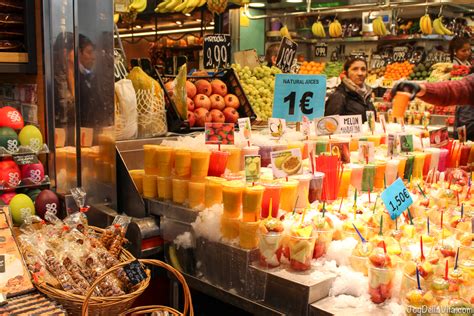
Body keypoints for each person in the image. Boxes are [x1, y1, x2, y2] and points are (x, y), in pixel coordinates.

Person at [324, 57, 376, 122]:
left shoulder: (366, 94)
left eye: (363, 69)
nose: (360, 73)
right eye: (355, 69)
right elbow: (331, 126)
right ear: (346, 73)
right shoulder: (339, 96)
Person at [449, 37, 473, 139]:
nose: (467, 53)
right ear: (455, 51)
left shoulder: (468, 63)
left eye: (469, 50)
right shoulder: (453, 65)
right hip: (466, 122)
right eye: (464, 51)